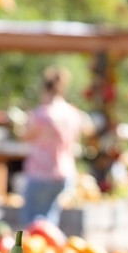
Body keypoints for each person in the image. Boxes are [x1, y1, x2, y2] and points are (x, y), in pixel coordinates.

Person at [21, 65, 88, 227]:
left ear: (45, 89)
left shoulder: (43, 114)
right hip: (65, 172)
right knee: (50, 219)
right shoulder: (72, 113)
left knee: (32, 223)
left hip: (41, 173)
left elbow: (26, 137)